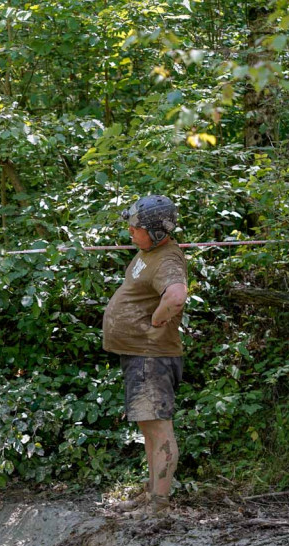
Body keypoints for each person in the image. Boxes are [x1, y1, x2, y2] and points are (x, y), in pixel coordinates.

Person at [102, 195, 189, 517]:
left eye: (135, 227)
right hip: (139, 355)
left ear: (155, 232)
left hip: (150, 357)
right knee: (148, 428)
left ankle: (158, 507)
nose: (129, 231)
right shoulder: (149, 252)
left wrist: (156, 320)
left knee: (157, 429)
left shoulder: (167, 259)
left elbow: (176, 295)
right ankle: (153, 494)